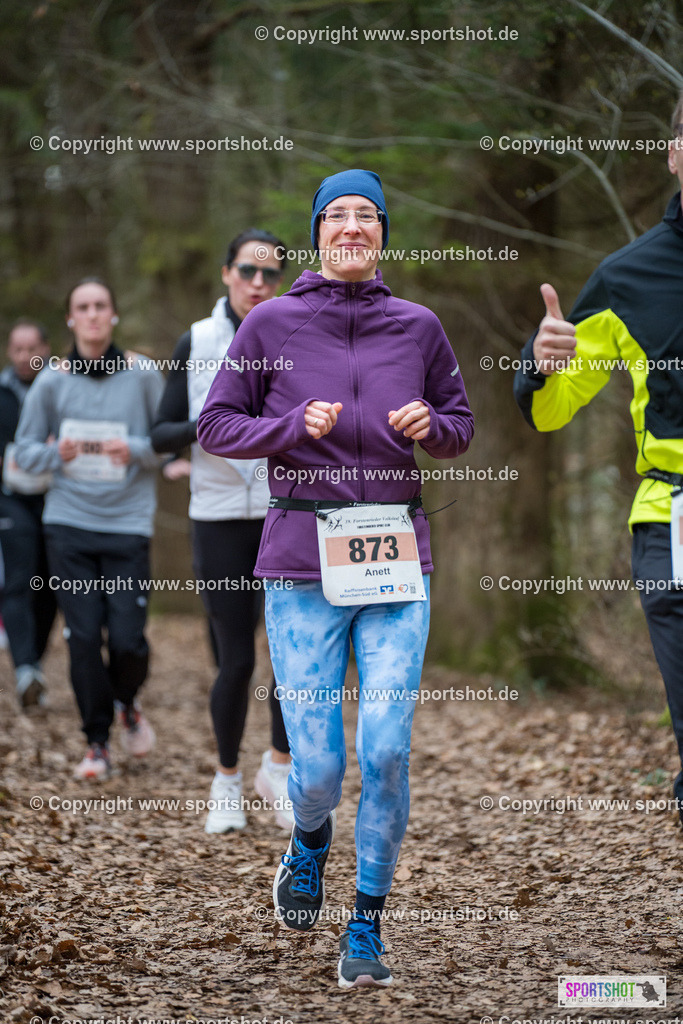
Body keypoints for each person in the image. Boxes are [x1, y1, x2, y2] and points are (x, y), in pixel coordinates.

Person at [198, 170, 474, 988]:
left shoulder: (418, 327)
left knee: (386, 750)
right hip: (298, 558)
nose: (351, 227)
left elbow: (459, 426)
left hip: (395, 555)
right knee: (315, 770)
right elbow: (217, 424)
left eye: (366, 216)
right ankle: (310, 840)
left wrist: (435, 426)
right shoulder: (272, 322)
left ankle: (366, 925)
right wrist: (289, 425)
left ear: (383, 233)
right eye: (336, 216)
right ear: (317, 232)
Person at [513, 93, 683, 823]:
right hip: (671, 520)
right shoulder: (627, 278)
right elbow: (550, 411)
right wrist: (540, 360)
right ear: (674, 153)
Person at [151, 229, 294, 835]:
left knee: (290, 657)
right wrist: (207, 426)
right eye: (247, 271)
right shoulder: (198, 340)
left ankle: (279, 771)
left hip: (286, 512)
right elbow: (158, 434)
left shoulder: (295, 334)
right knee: (234, 660)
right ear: (225, 273)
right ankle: (227, 781)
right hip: (216, 519)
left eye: (270, 274)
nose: (258, 284)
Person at [14, 278, 164, 780]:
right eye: (83, 307)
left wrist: (138, 450)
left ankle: (127, 702)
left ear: (114, 316)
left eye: (102, 305)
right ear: (71, 320)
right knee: (82, 638)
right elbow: (24, 451)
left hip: (127, 525)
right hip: (69, 524)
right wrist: (57, 453)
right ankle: (96, 742)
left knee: (127, 641)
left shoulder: (143, 374)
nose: (94, 314)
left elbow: (166, 442)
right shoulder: (52, 381)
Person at [0, 319, 57, 706]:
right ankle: (24, 668)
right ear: (9, 351)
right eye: (17, 349)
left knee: (51, 585)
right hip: (10, 499)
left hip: (57, 498)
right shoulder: (1, 393)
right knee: (19, 580)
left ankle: (34, 663)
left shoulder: (62, 386)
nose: (25, 357)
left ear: (46, 347)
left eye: (31, 348)